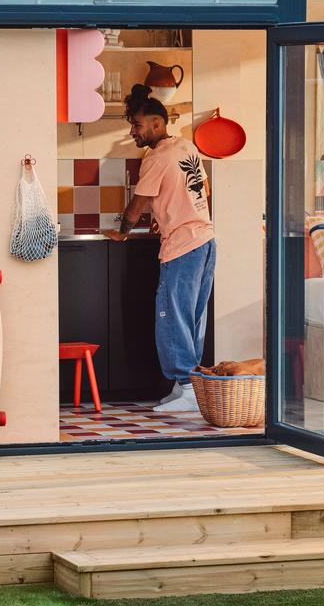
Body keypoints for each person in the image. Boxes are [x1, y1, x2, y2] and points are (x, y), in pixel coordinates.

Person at [104, 84, 216, 413]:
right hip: (205, 241)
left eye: (137, 126)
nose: (133, 132)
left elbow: (136, 206)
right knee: (192, 319)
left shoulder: (155, 158)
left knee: (170, 318)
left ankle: (187, 388)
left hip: (182, 247)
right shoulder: (186, 146)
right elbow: (203, 191)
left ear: (156, 124)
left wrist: (123, 233)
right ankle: (187, 390)